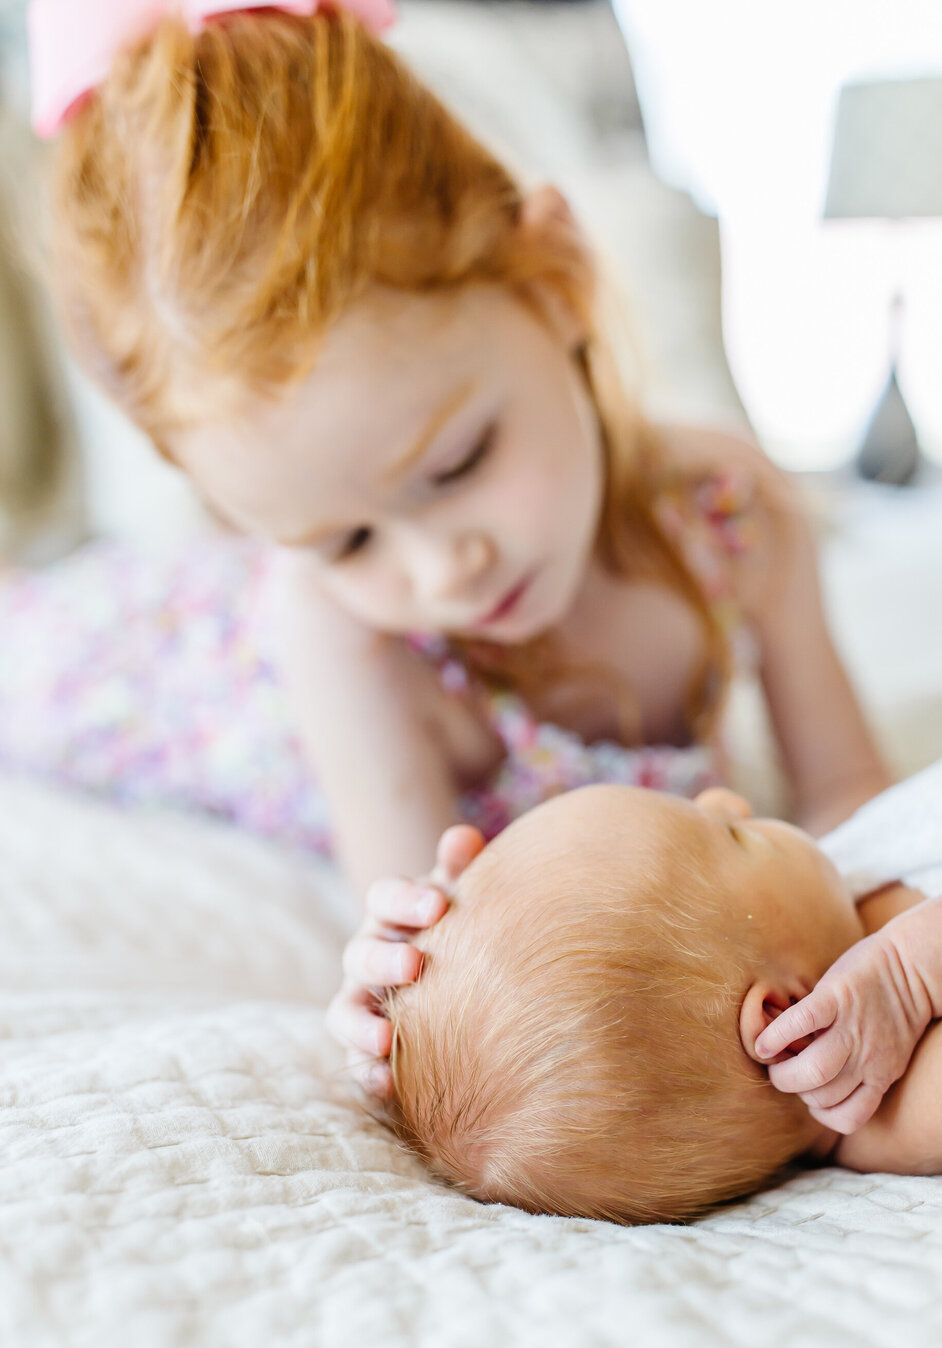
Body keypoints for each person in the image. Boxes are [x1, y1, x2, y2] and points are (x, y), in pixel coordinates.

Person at [17, 0, 887, 1097]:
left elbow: (851, 786)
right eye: (345, 537)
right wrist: (394, 990)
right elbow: (429, 961)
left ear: (556, 278)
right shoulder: (342, 621)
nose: (439, 573)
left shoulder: (734, 513)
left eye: (458, 461)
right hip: (172, 664)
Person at [380, 562, 942, 1224]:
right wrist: (911, 982)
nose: (730, 801)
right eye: (727, 835)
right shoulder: (927, 1105)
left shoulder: (819, 921)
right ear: (780, 1018)